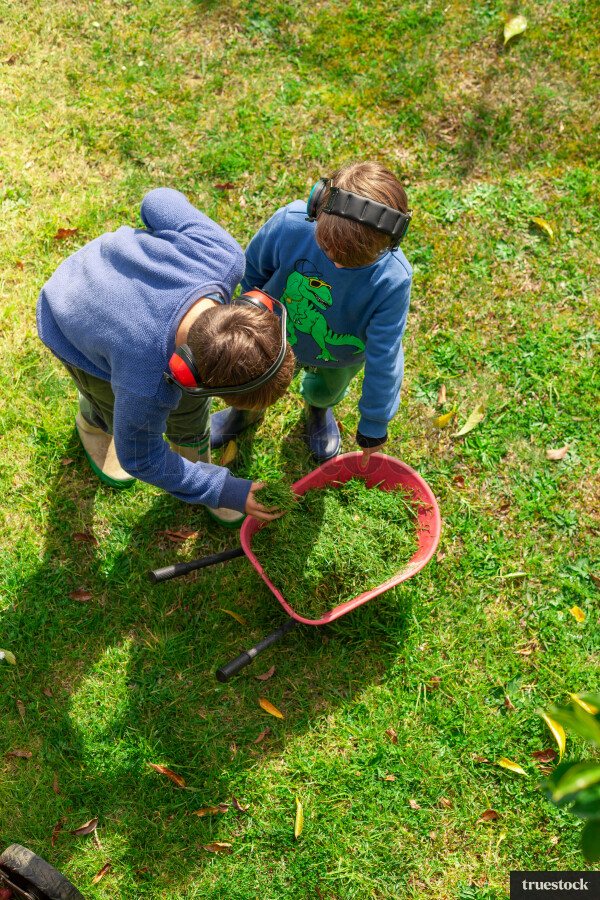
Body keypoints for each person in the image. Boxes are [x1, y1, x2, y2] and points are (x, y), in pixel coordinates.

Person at [36, 187, 295, 526]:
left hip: (111, 277)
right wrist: (225, 490)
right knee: (110, 404)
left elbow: (158, 201)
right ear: (189, 376)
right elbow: (141, 458)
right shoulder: (144, 383)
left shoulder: (221, 254)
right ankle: (93, 424)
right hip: (70, 312)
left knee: (187, 415)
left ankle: (194, 454)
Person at [209, 161, 412, 466]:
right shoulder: (290, 225)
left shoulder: (393, 279)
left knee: (326, 389)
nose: (338, 264)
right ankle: (245, 411)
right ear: (316, 207)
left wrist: (374, 423)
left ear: (391, 241)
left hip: (337, 358)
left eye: (356, 262)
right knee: (253, 378)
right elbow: (252, 272)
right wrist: (244, 318)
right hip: (271, 336)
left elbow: (386, 355)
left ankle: (317, 409)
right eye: (327, 248)